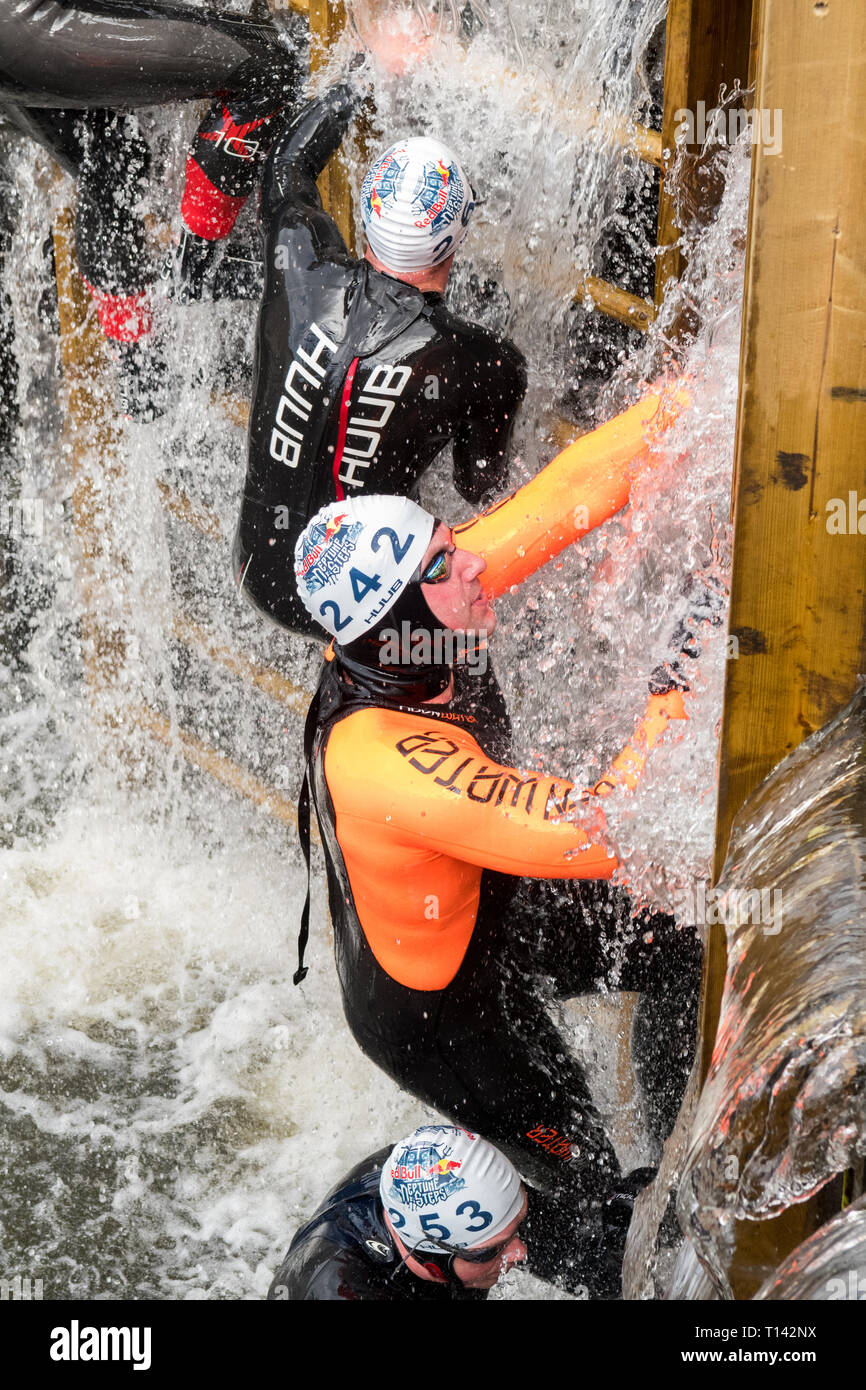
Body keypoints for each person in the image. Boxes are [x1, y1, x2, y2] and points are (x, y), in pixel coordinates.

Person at [289, 491, 702, 1296]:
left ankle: (677, 1150)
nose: (478, 561)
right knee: (584, 1176)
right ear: (400, 612)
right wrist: (677, 677)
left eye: (450, 543)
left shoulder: (433, 611)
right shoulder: (384, 761)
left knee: (686, 941)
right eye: (446, 561)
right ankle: (605, 1254)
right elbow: (597, 834)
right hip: (445, 1019)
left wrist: (682, 420)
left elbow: (566, 497)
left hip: (487, 892)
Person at [233, 81, 528, 637]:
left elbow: (286, 169)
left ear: (365, 217)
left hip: (259, 571)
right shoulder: (487, 363)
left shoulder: (299, 261)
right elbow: (480, 488)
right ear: (458, 237)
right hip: (376, 611)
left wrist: (361, 80)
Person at [0, 0, 302, 417]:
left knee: (110, 159)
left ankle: (138, 368)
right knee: (271, 66)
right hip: (25, 24)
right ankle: (197, 269)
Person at [268, 1123, 528, 1301]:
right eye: (492, 1250)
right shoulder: (334, 1289)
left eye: (519, 1223)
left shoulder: (420, 1166)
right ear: (430, 1258)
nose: (520, 1252)